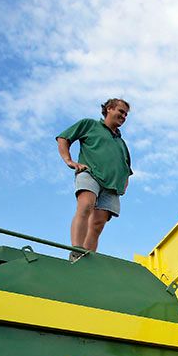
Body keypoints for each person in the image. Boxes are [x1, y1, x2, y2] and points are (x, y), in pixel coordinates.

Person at [56, 99, 132, 259]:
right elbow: (63, 138)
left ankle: (88, 258)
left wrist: (124, 184)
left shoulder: (121, 143)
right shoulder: (90, 125)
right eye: (121, 111)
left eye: (126, 114)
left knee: (98, 224)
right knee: (85, 206)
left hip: (112, 187)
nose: (124, 116)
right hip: (90, 173)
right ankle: (76, 250)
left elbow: (127, 168)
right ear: (109, 109)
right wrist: (69, 160)